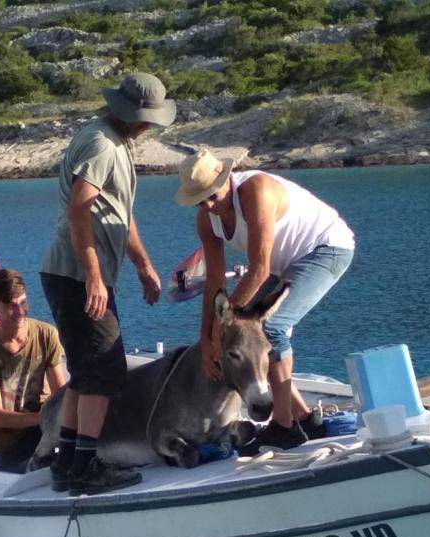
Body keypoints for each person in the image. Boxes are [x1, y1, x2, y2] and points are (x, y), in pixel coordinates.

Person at [40, 72, 172, 495]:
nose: (149, 126)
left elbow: (119, 212)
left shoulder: (116, 144)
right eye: (147, 119)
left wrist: (142, 265)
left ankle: (68, 464)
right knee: (105, 370)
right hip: (76, 275)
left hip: (74, 273)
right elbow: (82, 204)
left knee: (84, 372)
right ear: (131, 115)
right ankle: (85, 467)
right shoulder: (101, 144)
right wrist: (94, 274)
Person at [174, 149, 355, 451]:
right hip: (285, 263)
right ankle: (303, 417)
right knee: (246, 332)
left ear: (225, 180)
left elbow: (259, 269)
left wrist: (223, 328)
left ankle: (284, 427)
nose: (208, 205)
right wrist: (206, 339)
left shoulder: (256, 192)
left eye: (212, 196)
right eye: (199, 200)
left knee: (271, 328)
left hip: (326, 248)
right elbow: (215, 285)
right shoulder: (207, 220)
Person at [0, 269, 66, 474]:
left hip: (47, 434)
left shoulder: (47, 335)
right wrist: (43, 417)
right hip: (9, 447)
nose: (20, 311)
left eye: (23, 302)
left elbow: (61, 393)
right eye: (12, 306)